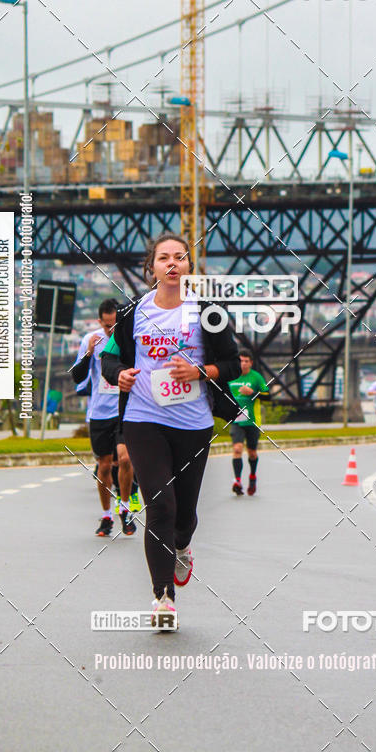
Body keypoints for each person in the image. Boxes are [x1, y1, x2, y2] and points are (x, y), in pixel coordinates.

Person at [101, 234, 240, 630]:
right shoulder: (134, 313)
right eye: (164, 258)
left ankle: (182, 545)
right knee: (160, 507)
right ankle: (164, 597)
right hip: (144, 420)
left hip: (194, 424)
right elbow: (109, 358)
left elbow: (230, 363)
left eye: (180, 257)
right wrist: (121, 374)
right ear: (153, 267)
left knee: (185, 515)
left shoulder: (208, 312)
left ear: (188, 266)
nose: (172, 264)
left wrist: (201, 371)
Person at [71, 298, 136, 538]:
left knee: (126, 459)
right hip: (99, 412)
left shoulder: (127, 337)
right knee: (105, 466)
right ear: (99, 321)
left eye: (115, 324)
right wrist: (89, 352)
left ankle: (125, 509)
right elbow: (77, 377)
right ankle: (107, 515)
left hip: (124, 409)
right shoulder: (91, 340)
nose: (111, 330)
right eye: (107, 326)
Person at [228, 350, 270, 496]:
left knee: (252, 452)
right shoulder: (231, 376)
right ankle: (237, 481)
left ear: (251, 363)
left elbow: (268, 396)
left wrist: (252, 393)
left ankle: (252, 476)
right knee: (237, 449)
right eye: (241, 360)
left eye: (246, 361)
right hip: (236, 420)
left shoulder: (256, 377)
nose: (243, 363)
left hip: (252, 421)